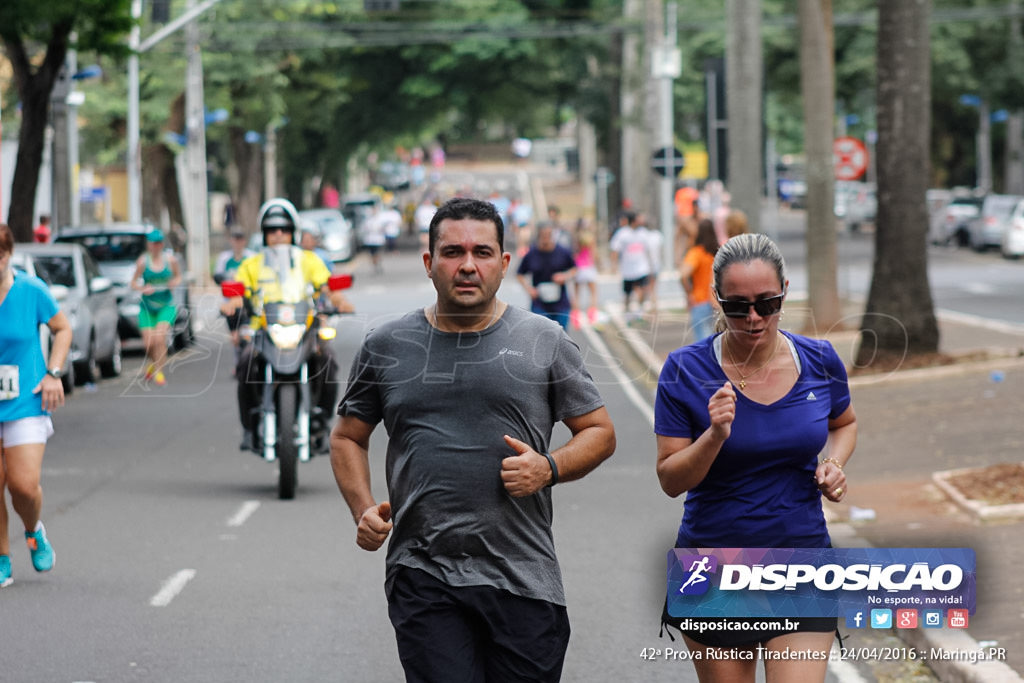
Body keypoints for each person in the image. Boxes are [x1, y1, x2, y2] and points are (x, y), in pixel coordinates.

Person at [330, 197, 616, 683]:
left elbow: (600, 432)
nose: (467, 265)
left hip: (524, 576)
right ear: (429, 263)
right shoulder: (387, 344)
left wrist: (549, 467)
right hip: (423, 572)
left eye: (482, 253)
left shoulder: (543, 340)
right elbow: (347, 437)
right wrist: (362, 508)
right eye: (452, 252)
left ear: (504, 264)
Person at [653, 233, 857, 682]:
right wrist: (714, 435)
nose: (753, 318)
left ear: (785, 289)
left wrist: (835, 465)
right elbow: (670, 479)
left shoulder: (819, 359)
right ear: (716, 300)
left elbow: (844, 423)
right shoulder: (684, 371)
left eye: (767, 303)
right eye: (737, 305)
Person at [230, 199, 353, 453]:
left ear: (292, 232)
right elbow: (237, 291)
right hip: (263, 331)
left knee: (328, 359)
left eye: (283, 229)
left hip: (304, 329)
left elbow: (327, 287)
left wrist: (339, 301)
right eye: (272, 230)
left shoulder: (309, 261)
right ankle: (249, 426)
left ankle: (322, 418)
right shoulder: (251, 264)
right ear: (264, 234)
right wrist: (231, 302)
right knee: (244, 363)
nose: (278, 235)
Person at [0, 223, 73, 587]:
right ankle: (1, 557)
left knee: (23, 486)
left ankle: (33, 530)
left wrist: (54, 372)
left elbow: (62, 329)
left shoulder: (30, 290)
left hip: (24, 399)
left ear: (7, 255)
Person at [131, 229, 182, 387]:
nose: (156, 246)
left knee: (160, 338)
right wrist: (143, 288)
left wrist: (174, 282)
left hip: (166, 306)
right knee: (149, 343)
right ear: (149, 245)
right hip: (147, 307)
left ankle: (159, 372)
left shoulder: (170, 260)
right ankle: (153, 365)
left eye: (159, 242)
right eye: (153, 243)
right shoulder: (143, 262)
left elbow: (178, 276)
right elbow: (133, 283)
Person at [516, 224, 577, 330]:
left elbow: (574, 269)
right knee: (542, 336)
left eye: (548, 235)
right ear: (538, 236)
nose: (546, 238)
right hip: (539, 304)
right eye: (543, 235)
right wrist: (529, 289)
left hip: (560, 303)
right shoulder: (532, 253)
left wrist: (564, 276)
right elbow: (519, 274)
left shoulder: (562, 252)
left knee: (562, 337)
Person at [214, 230, 255, 363]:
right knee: (235, 336)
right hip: (230, 303)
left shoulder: (251, 258)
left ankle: (245, 362)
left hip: (246, 302)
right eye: (235, 239)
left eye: (240, 239)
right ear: (231, 241)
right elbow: (218, 277)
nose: (238, 243)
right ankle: (239, 362)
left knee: (245, 334)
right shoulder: (224, 258)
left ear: (244, 241)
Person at [609, 210, 655, 324]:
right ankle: (627, 314)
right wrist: (614, 265)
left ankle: (640, 312)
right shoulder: (622, 233)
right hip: (628, 270)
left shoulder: (643, 233)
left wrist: (651, 265)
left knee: (643, 291)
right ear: (634, 221)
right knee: (627, 294)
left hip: (641, 268)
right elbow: (615, 250)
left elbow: (648, 250)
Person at [678, 218, 719, 341]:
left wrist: (688, 293)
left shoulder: (696, 253)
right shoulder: (719, 252)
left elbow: (683, 275)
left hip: (700, 300)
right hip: (717, 301)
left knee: (703, 342)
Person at [571, 222, 600, 327]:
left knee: (577, 294)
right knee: (593, 294)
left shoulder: (577, 240)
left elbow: (574, 254)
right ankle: (592, 316)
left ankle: (576, 319)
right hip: (589, 267)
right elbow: (594, 254)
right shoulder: (591, 239)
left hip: (579, 267)